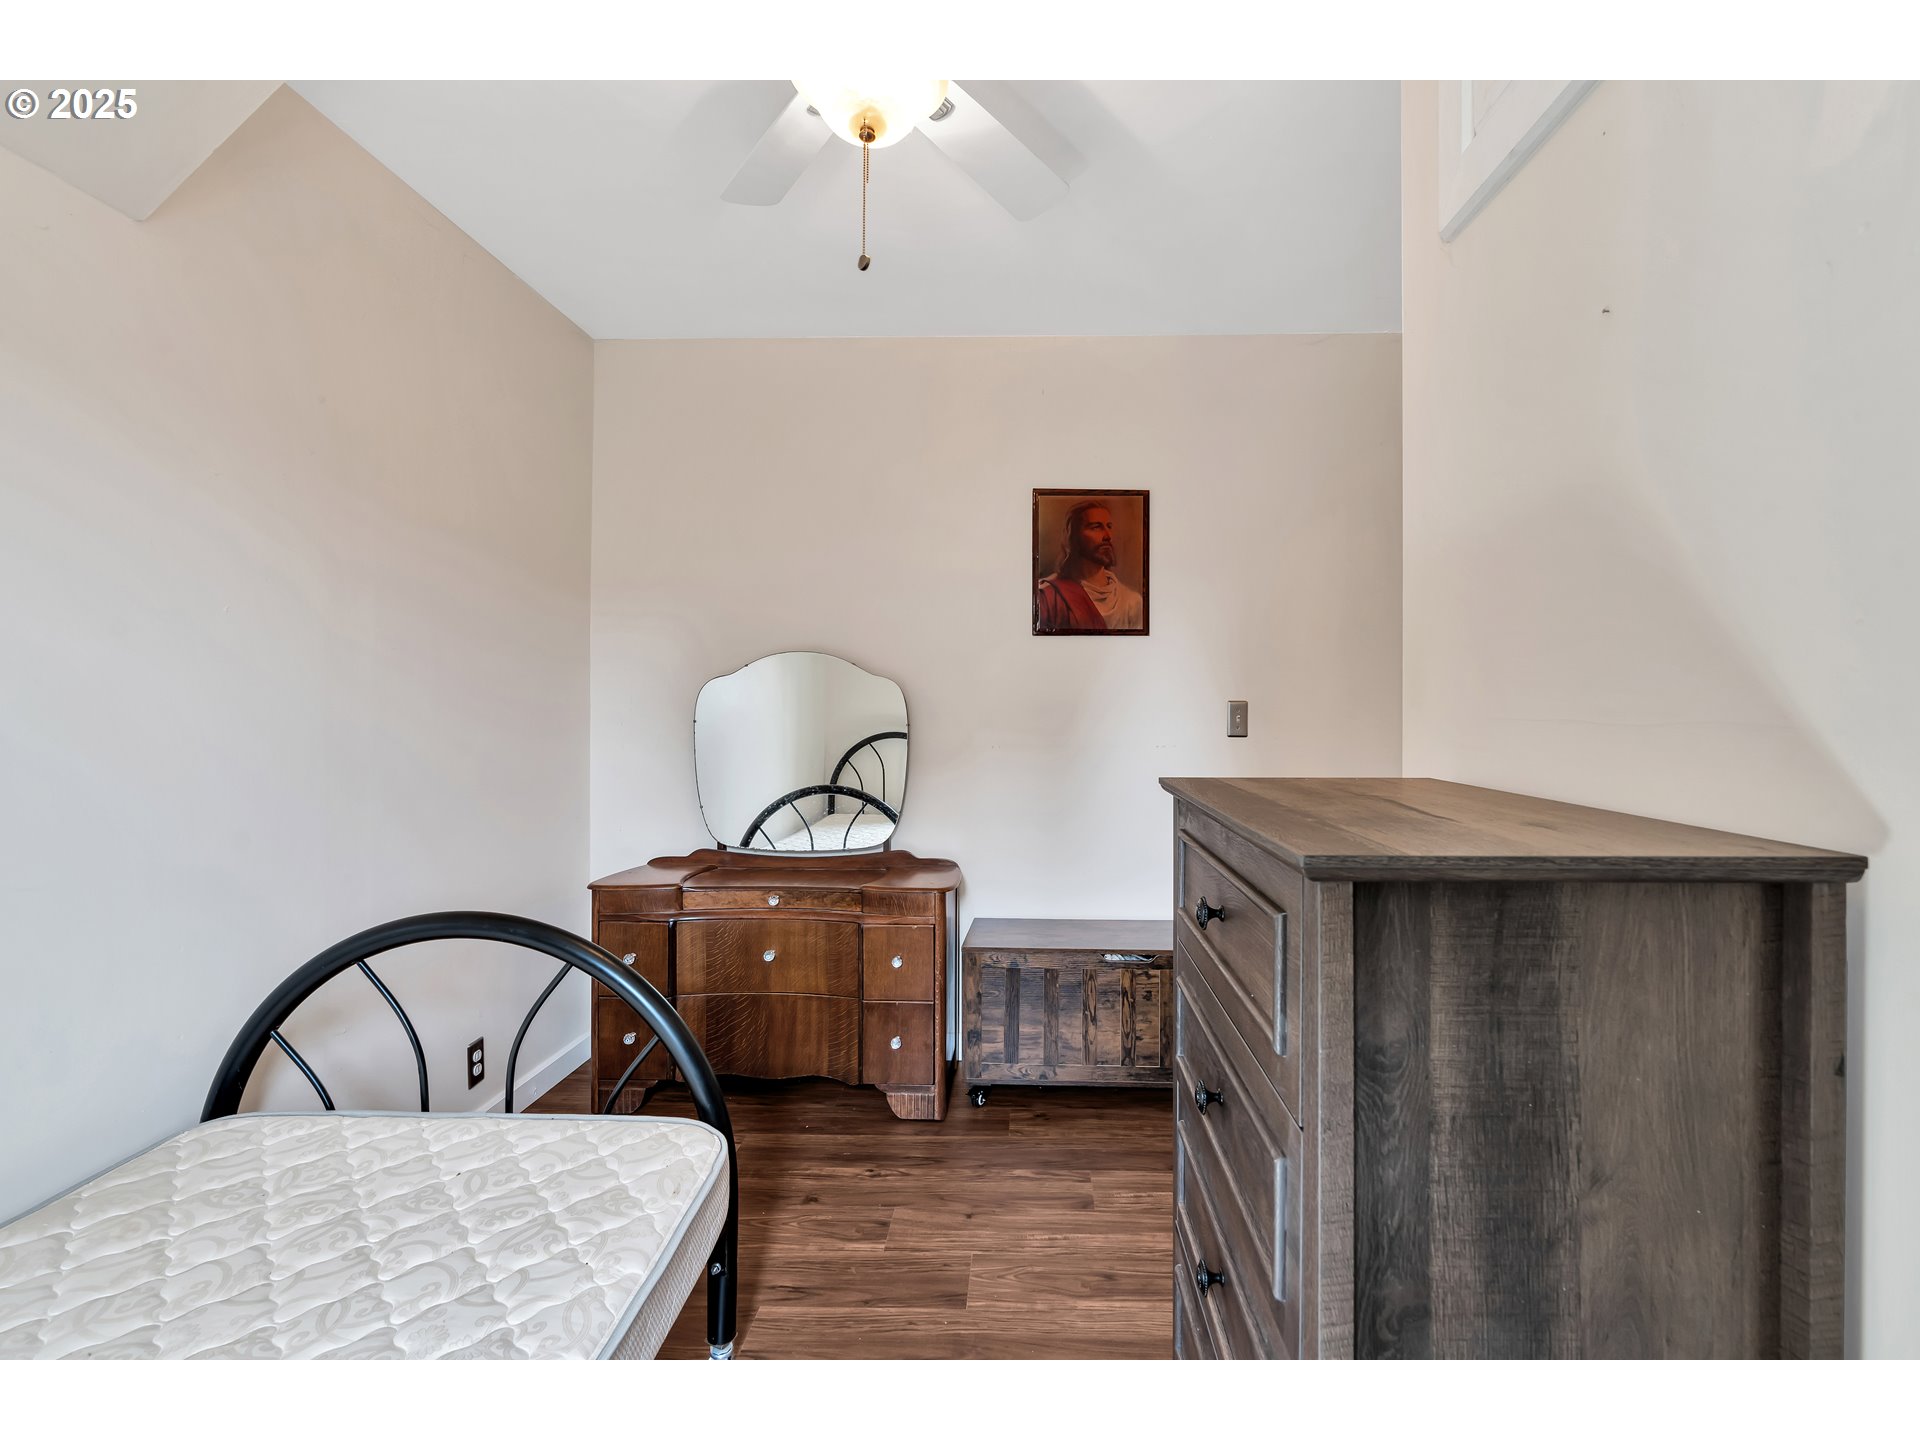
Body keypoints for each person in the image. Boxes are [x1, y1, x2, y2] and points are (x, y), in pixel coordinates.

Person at [1034, 499, 1144, 632]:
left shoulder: (1132, 602)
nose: (1107, 536)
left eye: (1109, 526)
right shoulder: (1048, 596)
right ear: (1074, 536)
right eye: (1096, 527)